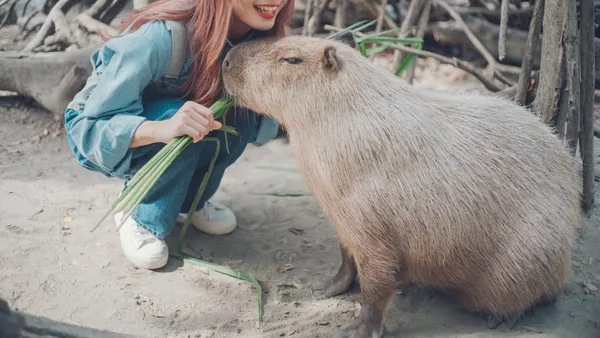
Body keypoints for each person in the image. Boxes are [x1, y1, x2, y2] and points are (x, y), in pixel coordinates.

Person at [64, 0, 295, 270]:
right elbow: (91, 130)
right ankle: (139, 212)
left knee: (236, 117)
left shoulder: (260, 40)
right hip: (103, 128)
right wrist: (162, 129)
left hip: (178, 120)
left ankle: (190, 200)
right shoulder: (161, 36)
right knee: (184, 122)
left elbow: (259, 131)